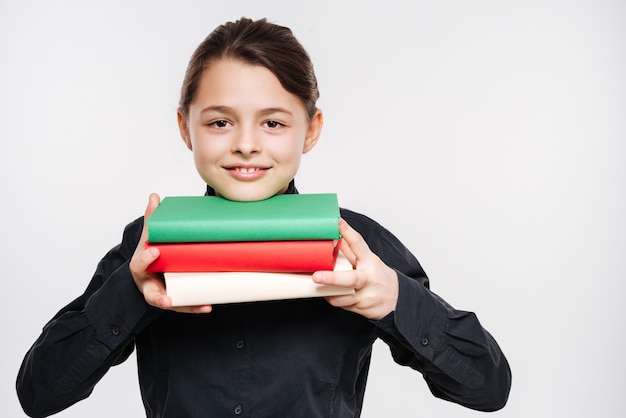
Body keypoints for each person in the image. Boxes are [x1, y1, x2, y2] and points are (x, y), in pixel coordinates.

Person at [16, 17, 511, 417]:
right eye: (219, 121)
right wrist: (130, 290)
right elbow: (38, 394)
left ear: (311, 129)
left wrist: (395, 300)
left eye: (273, 122)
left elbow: (488, 388)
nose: (246, 143)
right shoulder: (148, 245)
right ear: (185, 128)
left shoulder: (358, 245)